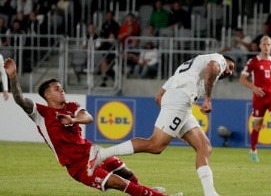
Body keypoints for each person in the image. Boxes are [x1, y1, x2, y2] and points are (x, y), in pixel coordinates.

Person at [3, 58, 183, 196]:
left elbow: (87, 118)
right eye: (57, 88)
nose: (62, 90)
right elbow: (20, 99)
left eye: (62, 87)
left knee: (128, 174)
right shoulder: (40, 113)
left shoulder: (71, 106)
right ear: (48, 95)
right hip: (79, 167)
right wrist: (13, 77)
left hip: (93, 153)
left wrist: (72, 120)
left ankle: (145, 191)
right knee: (120, 183)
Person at [88, 53, 236, 196]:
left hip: (182, 103)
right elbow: (213, 67)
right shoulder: (217, 59)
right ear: (225, 61)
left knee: (205, 147)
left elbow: (159, 97)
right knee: (155, 145)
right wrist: (208, 99)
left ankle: (210, 193)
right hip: (182, 100)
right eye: (230, 67)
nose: (229, 71)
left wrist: (175, 126)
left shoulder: (187, 68)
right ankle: (101, 154)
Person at [239, 36, 271, 163]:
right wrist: (254, 87)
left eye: (269, 44)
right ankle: (253, 150)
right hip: (259, 98)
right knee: (257, 126)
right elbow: (242, 79)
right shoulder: (253, 62)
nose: (266, 46)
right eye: (264, 44)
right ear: (260, 46)